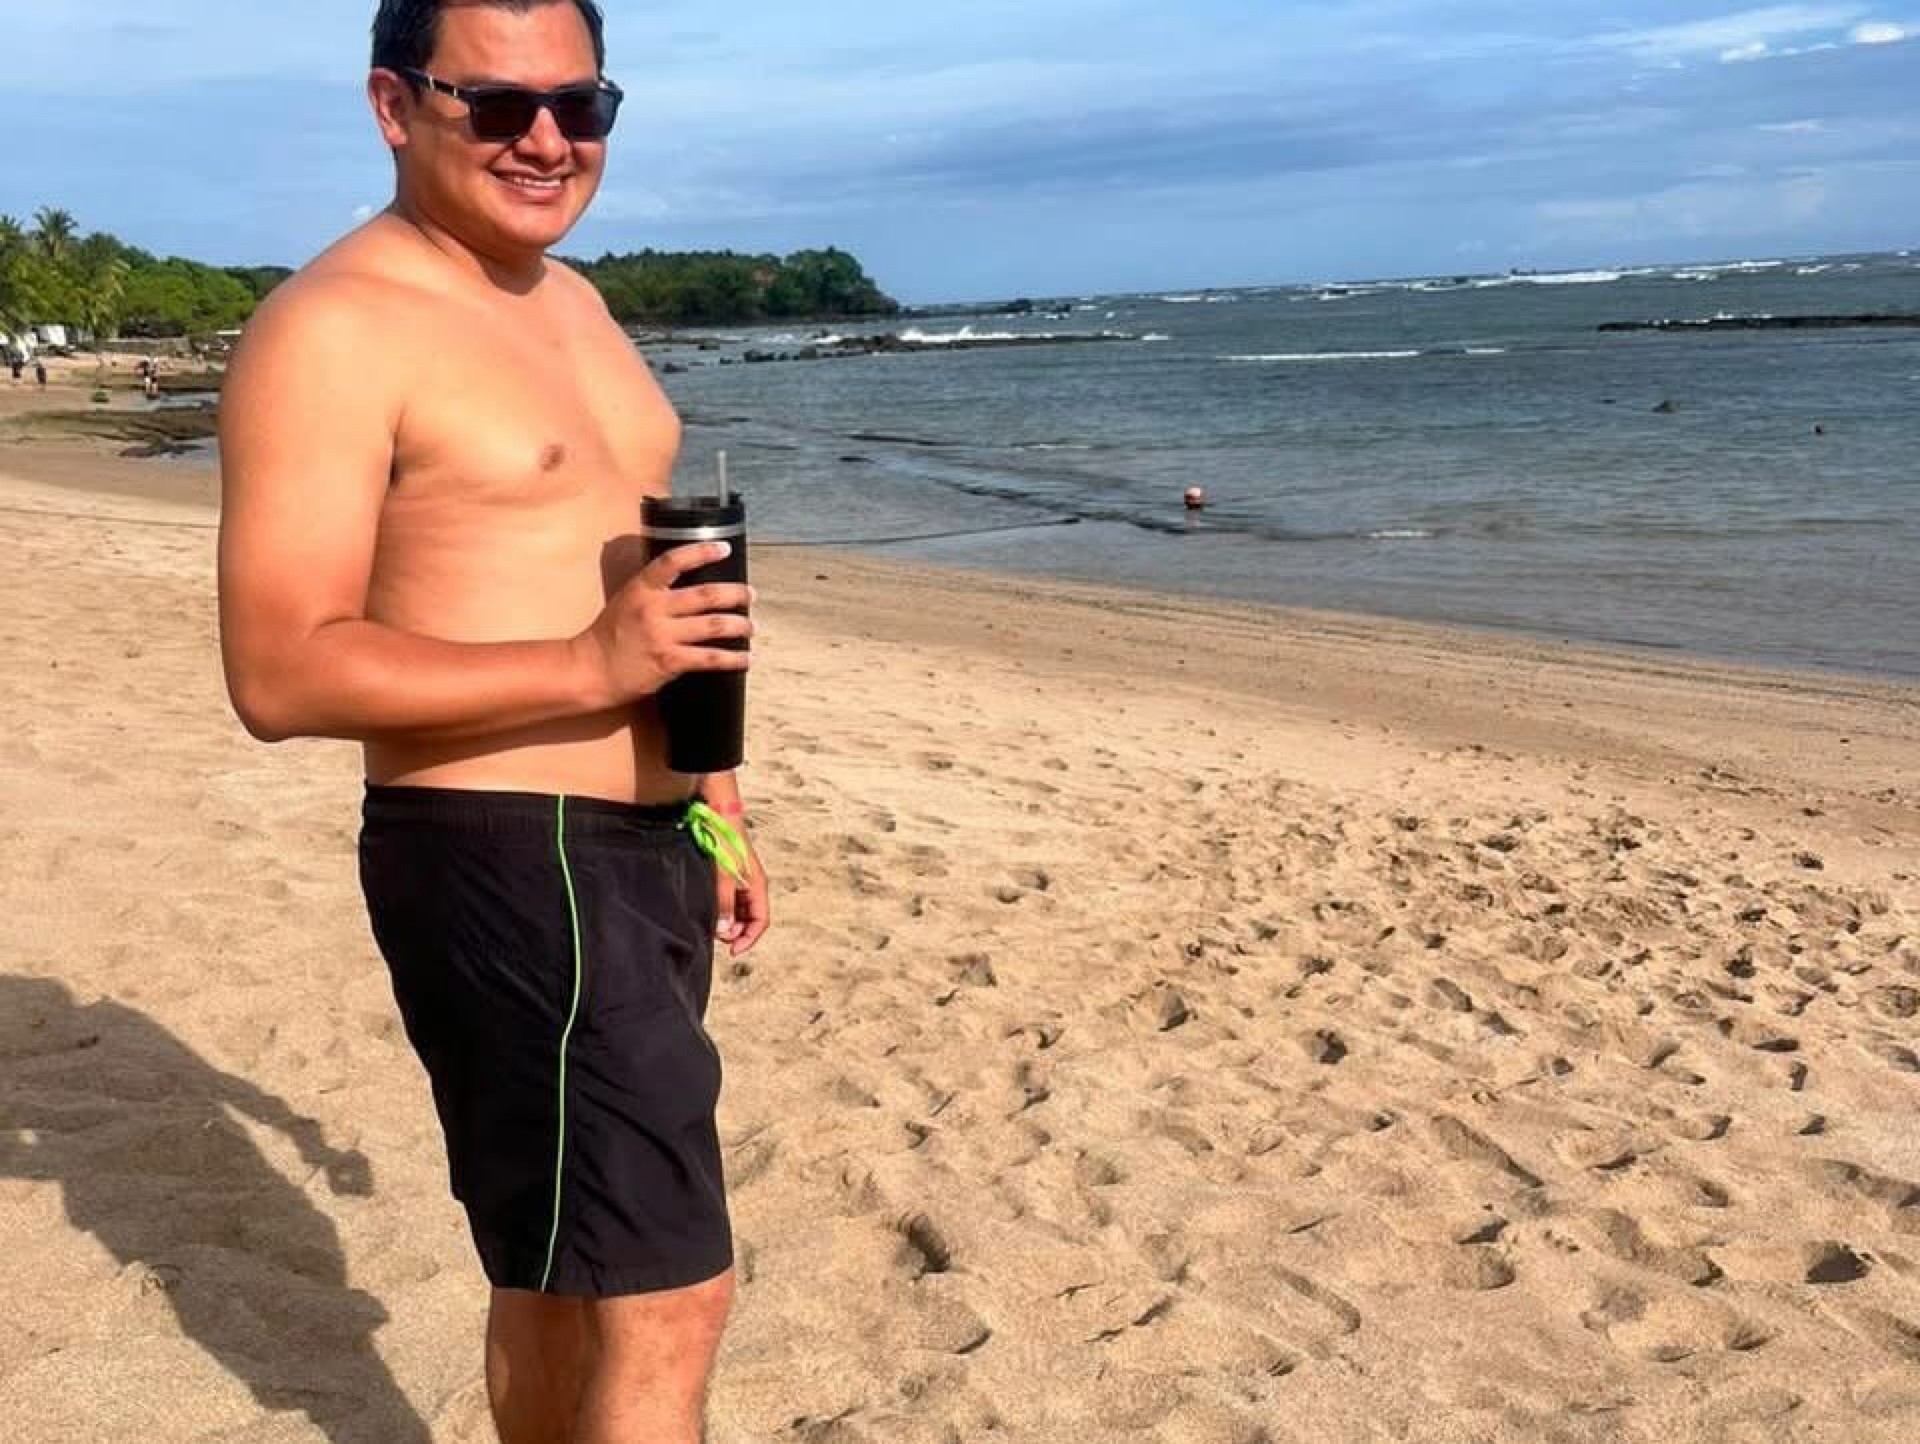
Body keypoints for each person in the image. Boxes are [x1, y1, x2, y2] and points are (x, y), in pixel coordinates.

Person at [215, 3, 769, 1440]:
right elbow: (280, 672)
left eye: (581, 106)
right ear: (395, 105)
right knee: (671, 1293)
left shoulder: (571, 302)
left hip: (640, 848)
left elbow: (615, 571)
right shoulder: (334, 329)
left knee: (561, 1271)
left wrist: (713, 793)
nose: (546, 139)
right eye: (498, 104)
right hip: (509, 847)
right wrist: (590, 665)